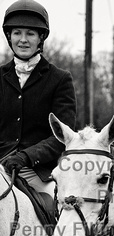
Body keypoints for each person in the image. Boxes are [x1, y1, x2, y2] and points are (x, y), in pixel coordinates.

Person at [0, 0, 76, 199]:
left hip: (36, 171)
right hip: (0, 164)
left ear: (41, 37)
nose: (23, 40)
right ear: (9, 36)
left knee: (59, 206)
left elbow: (63, 136)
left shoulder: (60, 79)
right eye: (17, 33)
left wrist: (26, 156)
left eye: (30, 34)